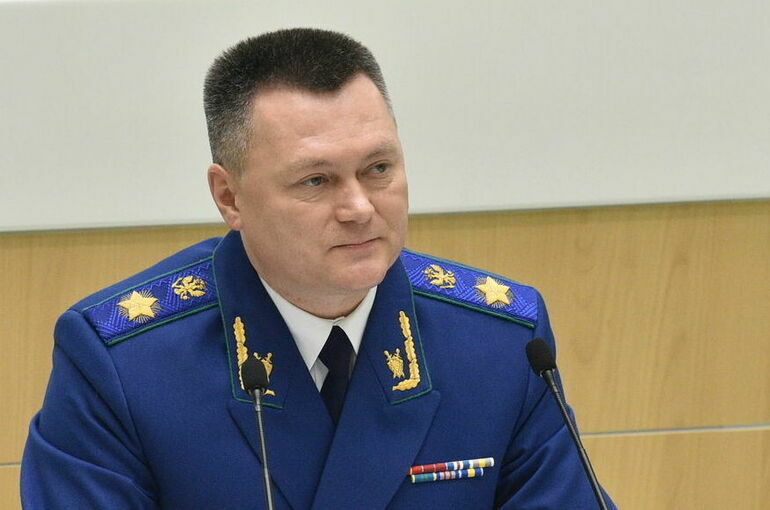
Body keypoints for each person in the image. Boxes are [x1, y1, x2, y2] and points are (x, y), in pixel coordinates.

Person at [21, 28, 616, 509]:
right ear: (229, 197)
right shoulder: (124, 363)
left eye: (378, 169)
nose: (359, 208)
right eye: (316, 180)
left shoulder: (501, 344)